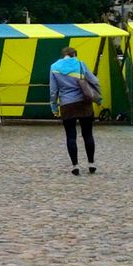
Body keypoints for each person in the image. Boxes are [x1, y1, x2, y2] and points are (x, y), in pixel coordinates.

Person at [49, 46, 102, 175]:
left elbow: (53, 90)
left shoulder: (54, 67)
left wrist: (54, 107)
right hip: (84, 103)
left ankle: (75, 165)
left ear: (63, 55)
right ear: (74, 55)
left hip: (67, 104)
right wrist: (98, 98)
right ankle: (91, 163)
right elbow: (94, 81)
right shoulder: (80, 64)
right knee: (87, 134)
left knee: (70, 135)